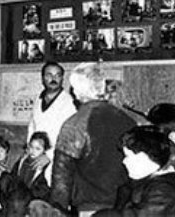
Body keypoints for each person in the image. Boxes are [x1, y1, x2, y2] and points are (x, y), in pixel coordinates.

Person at [30, 63, 137, 216]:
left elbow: (62, 177)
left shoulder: (75, 124)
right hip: (124, 205)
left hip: (90, 206)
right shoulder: (127, 120)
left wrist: (58, 209)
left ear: (76, 91)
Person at [93, 126, 175, 217]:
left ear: (147, 157)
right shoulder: (149, 181)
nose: (124, 161)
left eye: (128, 156)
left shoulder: (165, 193)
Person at [27, 62, 77, 180]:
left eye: (57, 75)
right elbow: (32, 126)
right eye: (49, 75)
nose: (53, 79)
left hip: (57, 159)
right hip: (36, 155)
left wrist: (49, 156)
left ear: (62, 79)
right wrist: (30, 149)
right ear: (42, 78)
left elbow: (71, 136)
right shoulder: (38, 100)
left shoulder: (69, 103)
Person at [11, 132, 51, 201]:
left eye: (38, 149)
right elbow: (13, 176)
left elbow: (44, 190)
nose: (33, 151)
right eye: (31, 147)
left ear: (44, 150)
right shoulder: (22, 161)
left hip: (33, 199)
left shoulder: (45, 167)